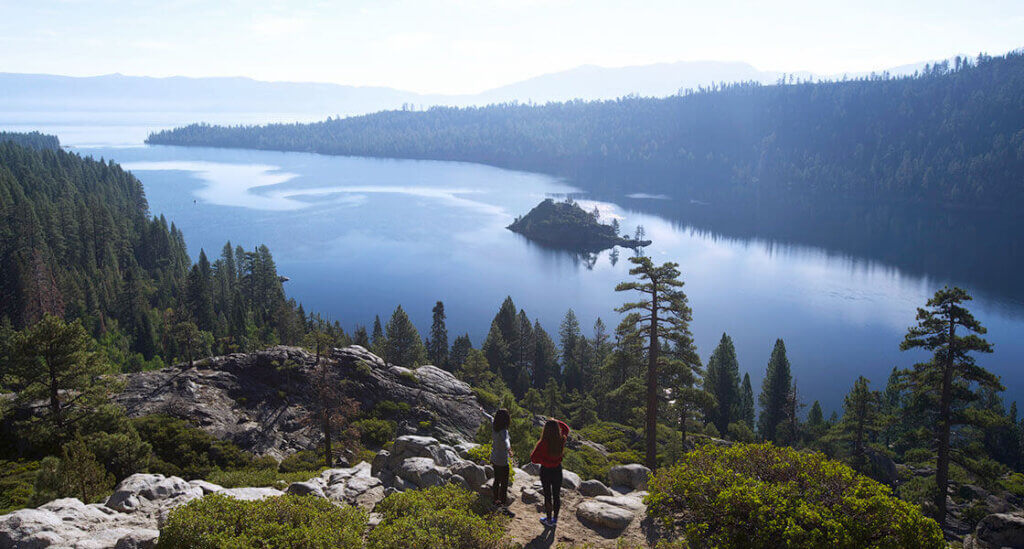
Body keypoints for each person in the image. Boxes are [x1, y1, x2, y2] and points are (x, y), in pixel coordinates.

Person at [530, 417, 570, 527]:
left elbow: (533, 459)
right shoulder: (561, 439)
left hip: (546, 471)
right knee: (556, 495)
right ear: (557, 429)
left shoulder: (543, 443)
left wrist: (545, 461)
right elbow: (566, 428)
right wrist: (556, 422)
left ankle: (548, 520)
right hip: (557, 470)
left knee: (548, 495)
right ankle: (555, 519)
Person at [491, 408, 513, 506]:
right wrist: (509, 449)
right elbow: (506, 441)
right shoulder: (504, 431)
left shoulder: (494, 426)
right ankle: (503, 505)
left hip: (494, 458)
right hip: (502, 461)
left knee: (496, 479)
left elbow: (489, 418)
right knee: (504, 483)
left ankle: (495, 499)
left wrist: (482, 411)